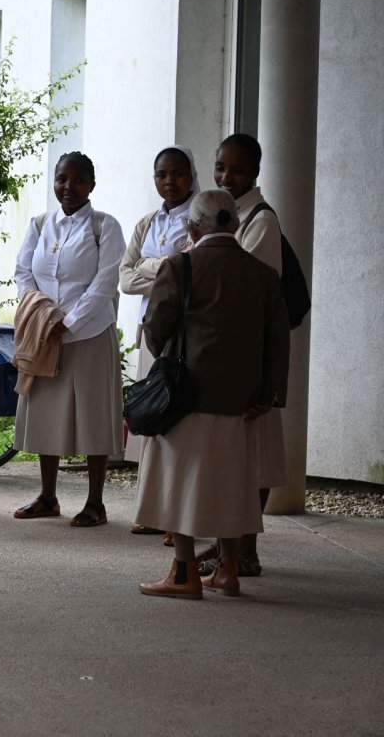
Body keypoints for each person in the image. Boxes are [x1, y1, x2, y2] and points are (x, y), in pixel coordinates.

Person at [134, 189, 289, 599]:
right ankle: (226, 570)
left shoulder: (180, 265)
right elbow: (277, 342)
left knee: (178, 481)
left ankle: (183, 573)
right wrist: (269, 393)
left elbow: (155, 328)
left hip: (188, 395)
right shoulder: (263, 274)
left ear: (192, 225)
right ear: (235, 224)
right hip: (243, 400)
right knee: (233, 482)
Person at [12, 152, 125, 527]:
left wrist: (70, 321)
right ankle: (48, 496)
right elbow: (23, 271)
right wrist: (41, 312)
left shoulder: (104, 226)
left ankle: (96, 502)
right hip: (46, 333)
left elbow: (106, 282)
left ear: (92, 184)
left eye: (78, 180)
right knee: (46, 412)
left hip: (89, 335)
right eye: (62, 179)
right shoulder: (41, 223)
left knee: (93, 415)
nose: (68, 187)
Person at [205, 132, 285, 576]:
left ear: (255, 171)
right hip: (229, 353)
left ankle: (245, 551)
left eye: (236, 169)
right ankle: (229, 549)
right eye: (220, 167)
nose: (226, 176)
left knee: (253, 458)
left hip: (251, 355)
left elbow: (247, 284)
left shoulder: (261, 219)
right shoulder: (227, 213)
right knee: (234, 456)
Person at [119, 144, 199, 536]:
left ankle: (176, 517)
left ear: (192, 175)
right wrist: (166, 268)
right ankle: (153, 511)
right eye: (161, 175)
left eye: (178, 173)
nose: (170, 181)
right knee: (150, 417)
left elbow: (193, 271)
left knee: (177, 421)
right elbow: (124, 278)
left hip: (182, 334)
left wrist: (150, 269)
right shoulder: (148, 222)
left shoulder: (199, 217)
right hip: (149, 330)